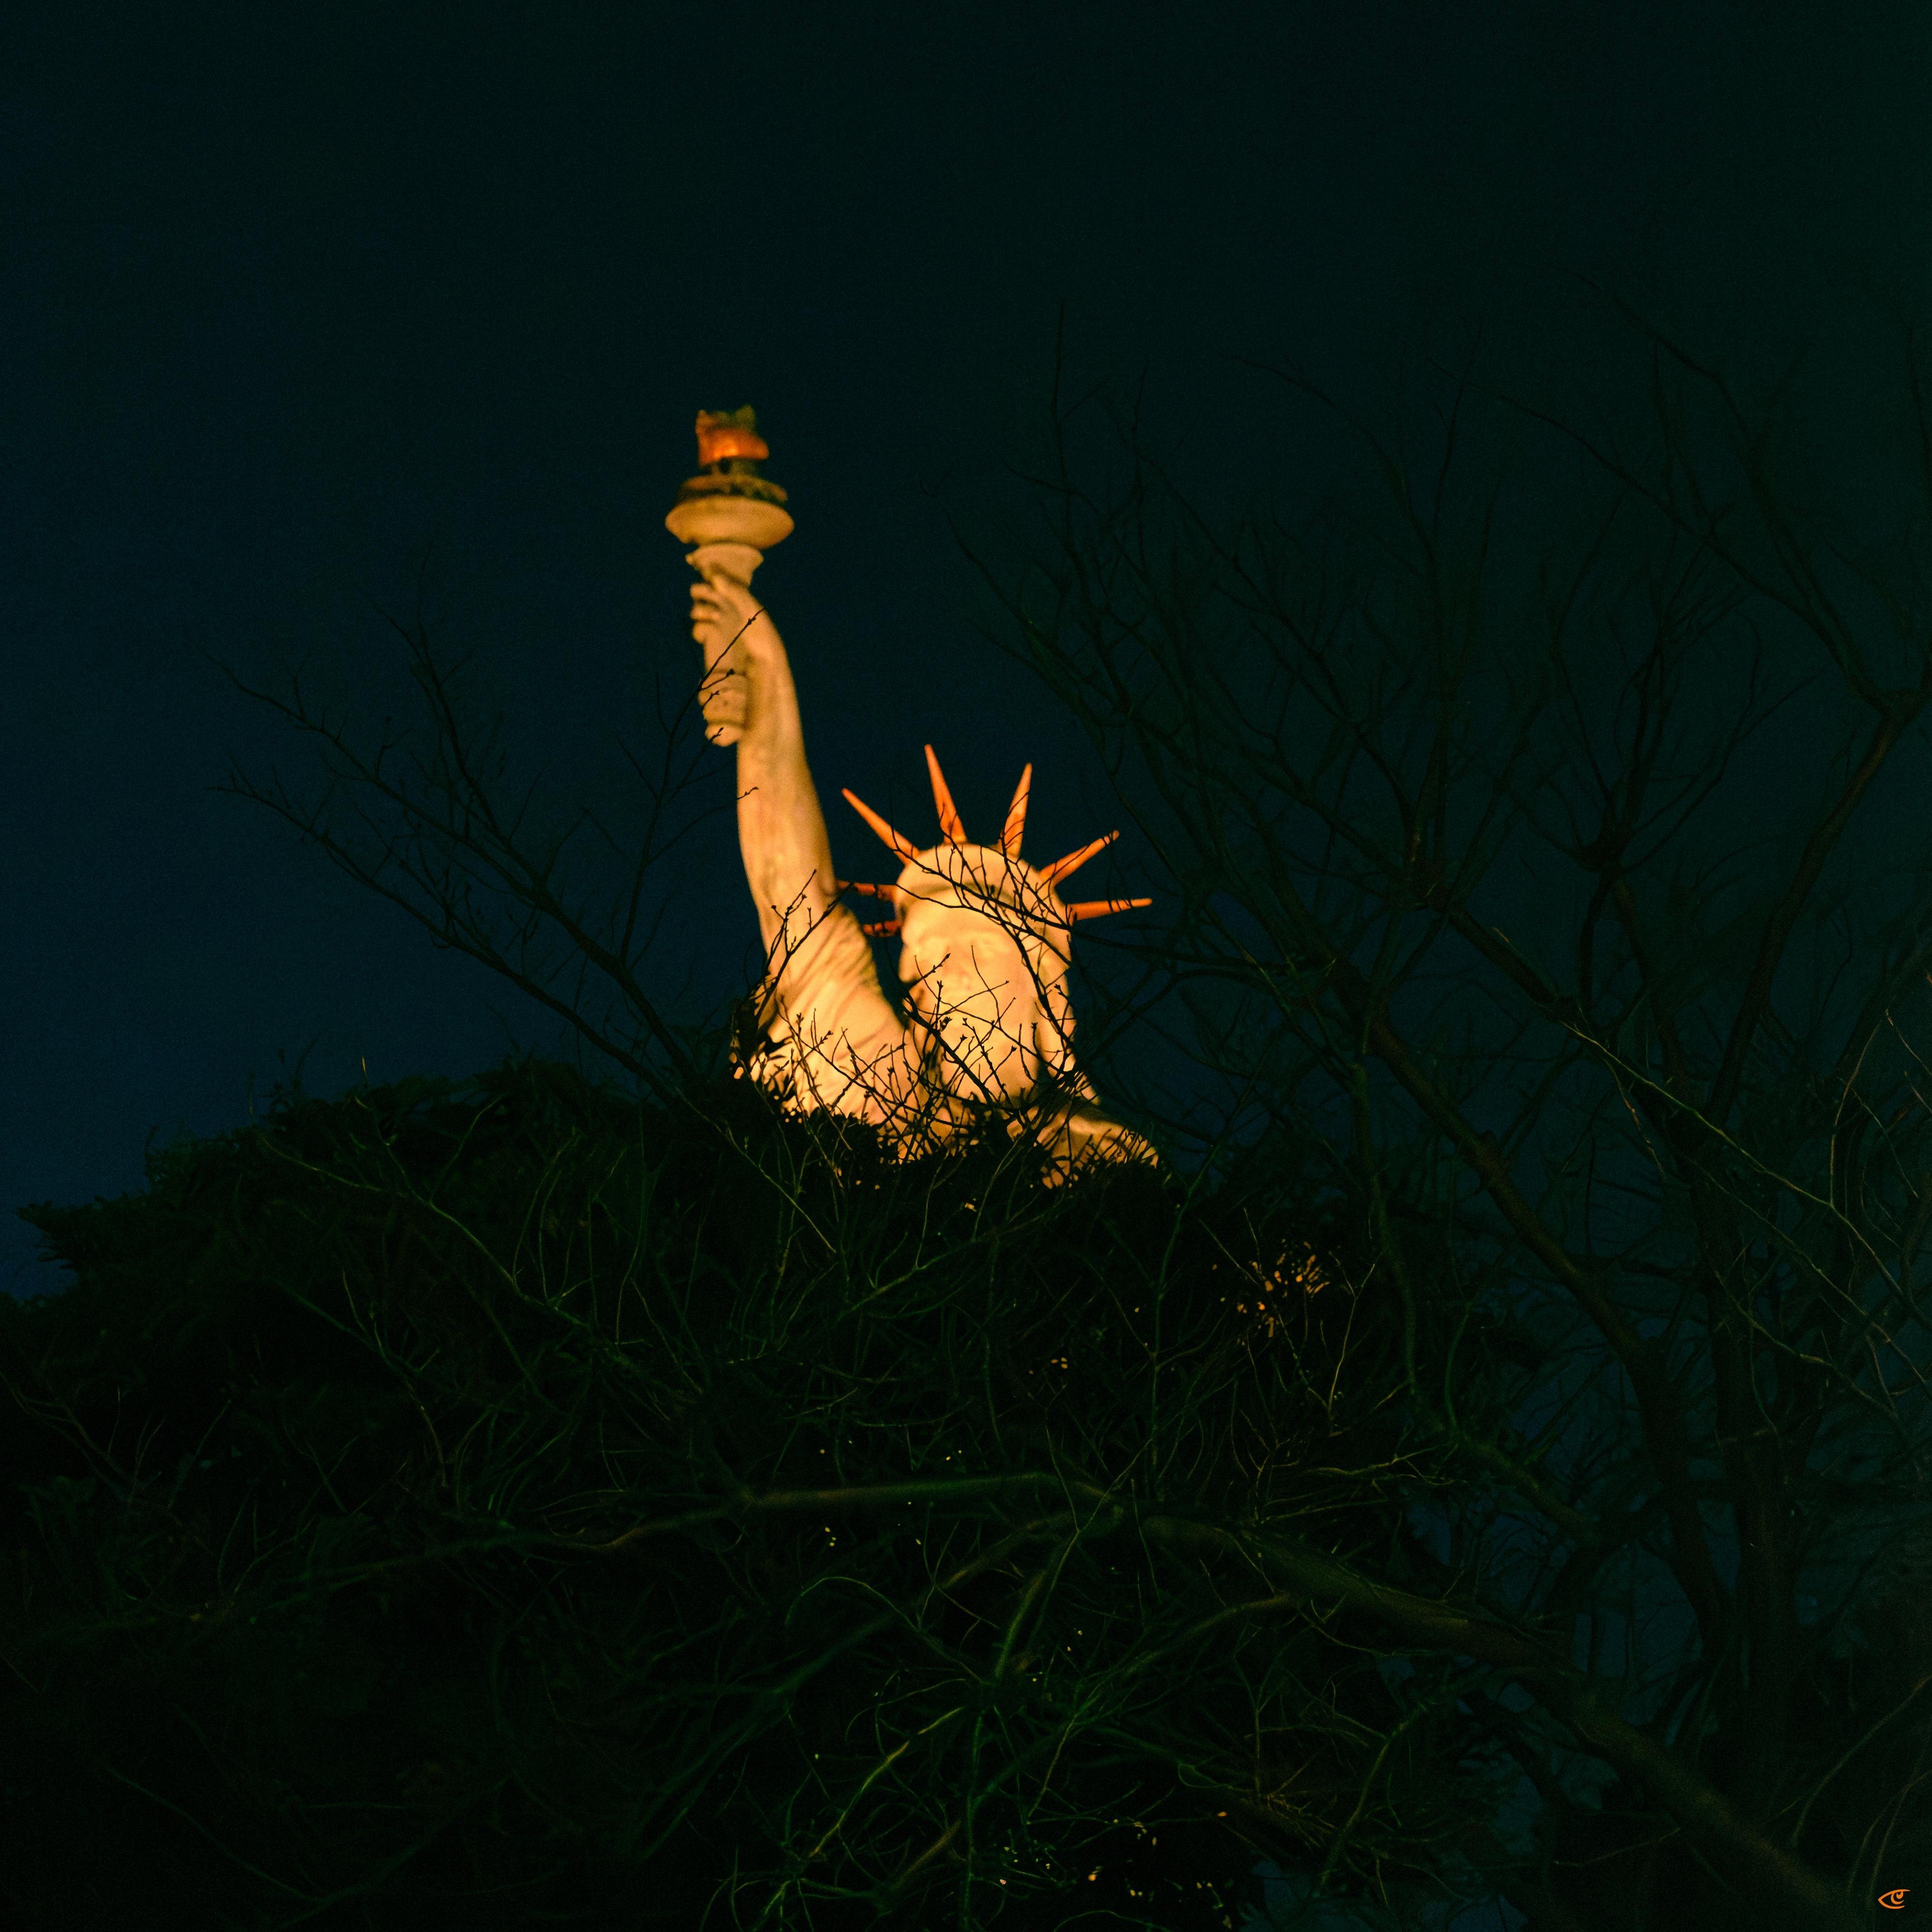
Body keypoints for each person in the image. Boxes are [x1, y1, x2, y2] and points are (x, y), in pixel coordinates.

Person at [690, 566, 1153, 1178]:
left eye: (978, 956)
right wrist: (766, 687)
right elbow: (790, 889)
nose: (950, 982)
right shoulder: (880, 1093)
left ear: (1047, 997)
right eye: (928, 963)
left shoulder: (1103, 1156)